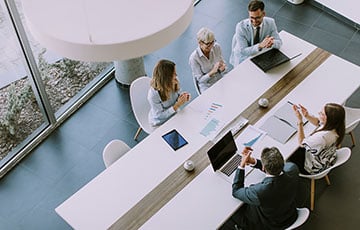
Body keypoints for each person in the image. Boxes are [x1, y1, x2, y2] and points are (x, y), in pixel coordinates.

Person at [220, 146, 299, 230]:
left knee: (231, 214)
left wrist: (241, 165)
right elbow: (276, 169)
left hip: (273, 225)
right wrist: (253, 161)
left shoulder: (260, 191)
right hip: (291, 215)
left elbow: (236, 191)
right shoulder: (293, 169)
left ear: (263, 167)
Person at [288, 103, 345, 175]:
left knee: (291, 152)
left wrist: (300, 121)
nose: (318, 113)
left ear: (329, 119)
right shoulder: (337, 127)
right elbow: (319, 123)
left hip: (312, 167)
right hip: (325, 158)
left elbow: (301, 143)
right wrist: (307, 116)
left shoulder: (322, 137)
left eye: (322, 114)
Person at [229, 0, 282, 67]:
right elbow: (243, 51)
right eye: (252, 17)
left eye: (257, 18)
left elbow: (279, 42)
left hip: (259, 55)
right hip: (244, 57)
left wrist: (271, 43)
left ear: (263, 14)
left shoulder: (270, 22)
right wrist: (260, 46)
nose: (254, 21)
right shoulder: (241, 27)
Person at [147, 59, 191, 126]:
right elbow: (159, 116)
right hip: (161, 122)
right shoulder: (153, 95)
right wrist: (176, 106)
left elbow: (178, 93)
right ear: (166, 77)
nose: (176, 75)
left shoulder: (174, 81)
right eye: (173, 73)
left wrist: (183, 96)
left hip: (175, 114)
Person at [189, 27, 227, 94]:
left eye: (212, 42)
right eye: (208, 44)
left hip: (220, 78)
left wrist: (223, 68)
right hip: (207, 86)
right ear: (200, 43)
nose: (211, 46)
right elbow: (200, 81)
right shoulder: (194, 58)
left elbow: (224, 66)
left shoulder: (217, 47)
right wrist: (212, 72)